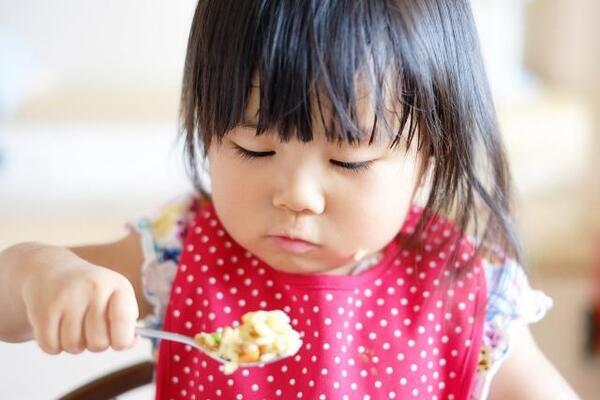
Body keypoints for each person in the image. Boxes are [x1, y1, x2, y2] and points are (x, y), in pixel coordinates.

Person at [0, 1, 580, 399]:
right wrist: (41, 273)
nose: (297, 195)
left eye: (348, 161)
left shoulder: (467, 291)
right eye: (253, 148)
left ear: (431, 156)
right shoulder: (179, 256)